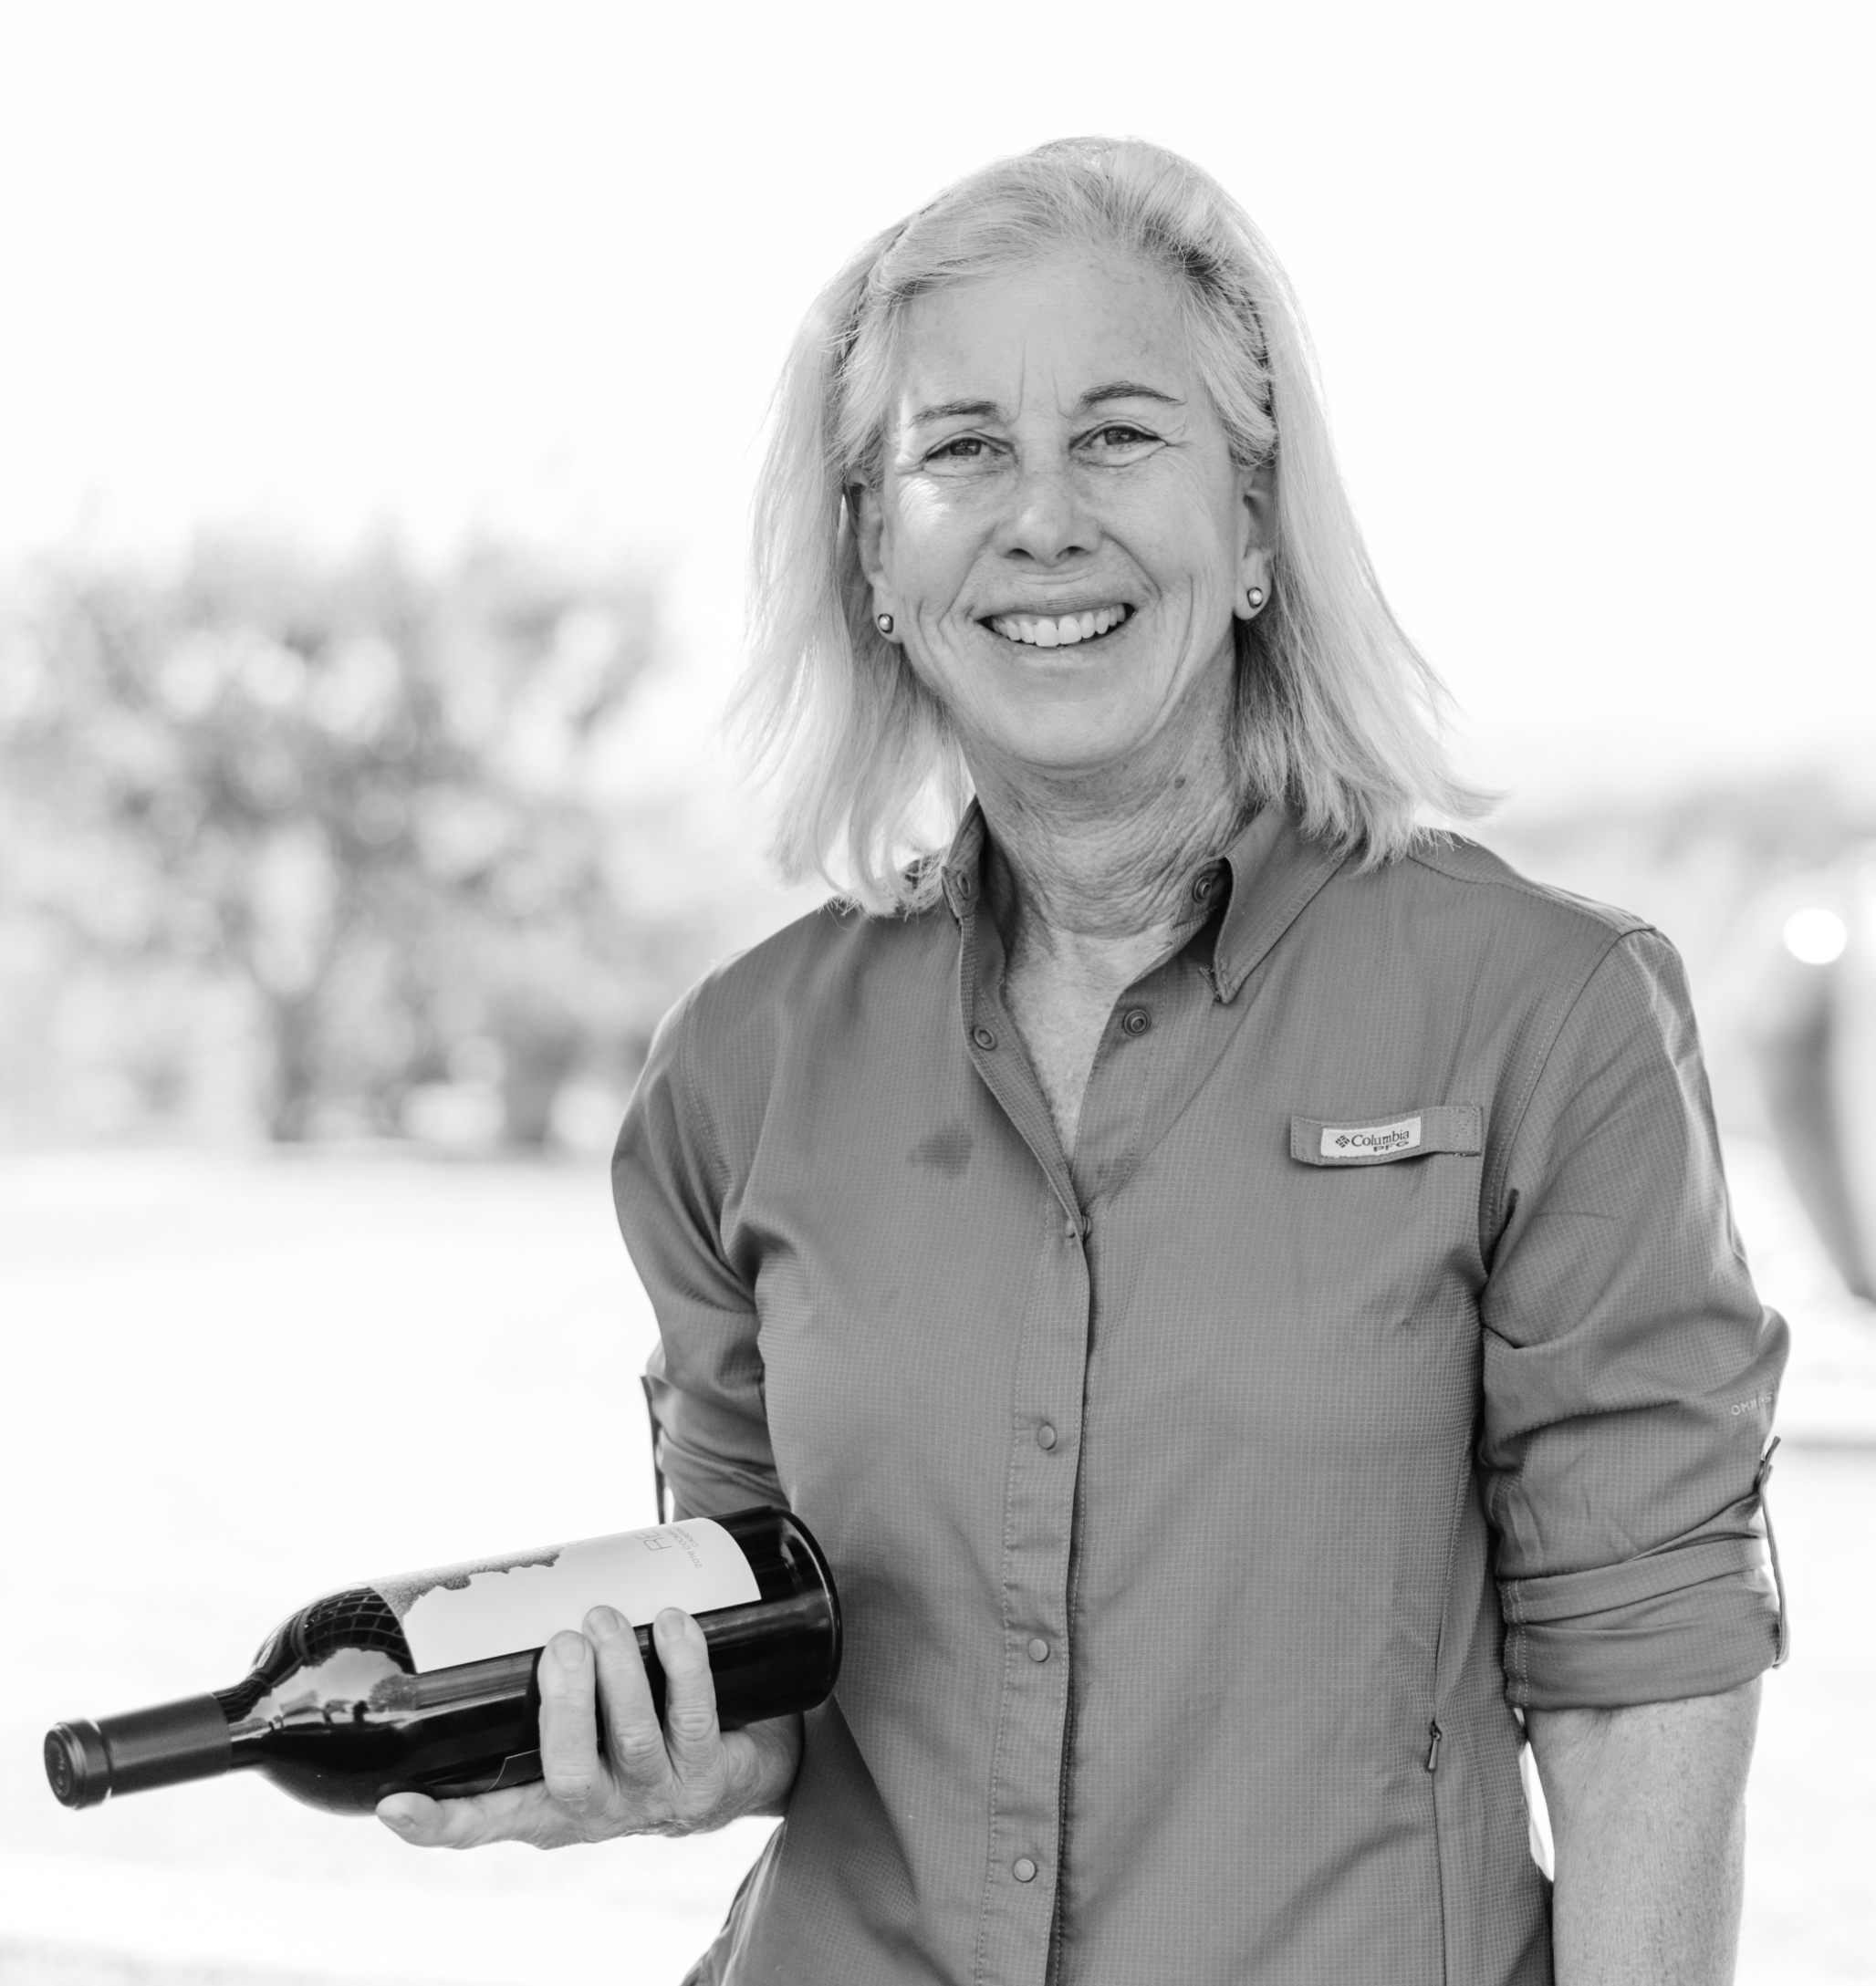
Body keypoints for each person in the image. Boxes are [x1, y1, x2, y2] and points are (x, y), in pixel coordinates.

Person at [377, 137, 1789, 1986]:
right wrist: (659, 1758)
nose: (1042, 519)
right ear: (876, 554)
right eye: (963, 449)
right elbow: (771, 1669)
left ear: (1257, 526)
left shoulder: (1545, 1015)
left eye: (1118, 435)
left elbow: (1644, 1680)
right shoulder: (742, 1068)